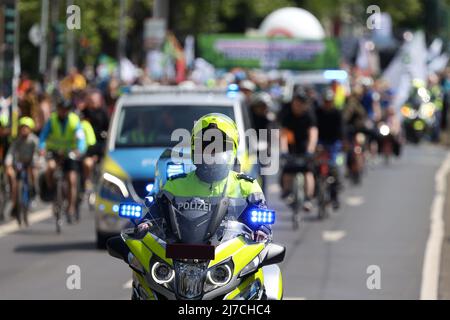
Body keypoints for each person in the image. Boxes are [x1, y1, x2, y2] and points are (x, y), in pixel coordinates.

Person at [135, 113, 271, 242]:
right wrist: (146, 224)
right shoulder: (175, 185)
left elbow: (261, 218)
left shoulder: (246, 186)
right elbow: (155, 214)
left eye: (219, 147)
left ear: (231, 151)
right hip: (180, 257)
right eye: (205, 146)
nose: (211, 152)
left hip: (231, 260)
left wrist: (262, 229)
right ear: (195, 148)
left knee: (265, 266)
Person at [39, 96, 86, 223]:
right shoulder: (52, 120)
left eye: (65, 109)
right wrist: (42, 147)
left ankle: (70, 209)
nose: (63, 111)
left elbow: (81, 138)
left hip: (69, 153)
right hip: (54, 152)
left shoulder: (74, 120)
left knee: (72, 179)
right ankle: (52, 189)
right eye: (61, 109)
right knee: (50, 168)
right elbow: (43, 136)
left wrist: (79, 150)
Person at [280, 89, 318, 212]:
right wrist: (284, 150)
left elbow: (313, 133)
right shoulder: (287, 114)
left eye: (301, 103)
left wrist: (310, 150)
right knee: (287, 170)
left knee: (308, 172)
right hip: (291, 145)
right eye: (296, 102)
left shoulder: (308, 115)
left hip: (305, 145)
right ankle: (287, 192)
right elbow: (283, 134)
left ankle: (308, 199)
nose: (298, 105)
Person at [5, 117, 39, 222]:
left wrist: (34, 162)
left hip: (31, 163)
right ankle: (13, 198)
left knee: (33, 172)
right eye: (22, 127)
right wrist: (8, 163)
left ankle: (34, 191)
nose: (24, 130)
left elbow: (37, 153)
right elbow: (11, 153)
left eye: (26, 127)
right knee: (11, 175)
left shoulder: (34, 140)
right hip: (19, 164)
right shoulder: (17, 140)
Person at [315, 89, 344, 209]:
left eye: (329, 101)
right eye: (326, 101)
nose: (327, 103)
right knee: (314, 166)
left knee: (334, 168)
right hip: (320, 142)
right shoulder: (317, 112)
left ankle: (334, 197)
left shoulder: (337, 113)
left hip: (333, 143)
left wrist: (342, 141)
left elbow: (342, 129)